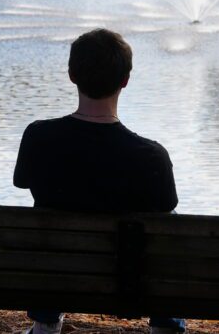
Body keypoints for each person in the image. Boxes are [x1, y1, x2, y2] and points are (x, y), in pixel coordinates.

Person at [14, 28, 184, 334]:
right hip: (128, 284)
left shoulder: (38, 138)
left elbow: (24, 183)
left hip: (58, 276)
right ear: (125, 80)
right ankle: (165, 327)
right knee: (169, 226)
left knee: (47, 217)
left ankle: (46, 321)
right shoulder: (151, 157)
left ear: (71, 75)